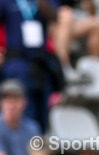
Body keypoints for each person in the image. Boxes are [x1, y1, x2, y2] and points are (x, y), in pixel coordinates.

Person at [0, 0, 64, 133]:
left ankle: (37, 149)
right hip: (17, 63)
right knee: (20, 112)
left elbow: (55, 16)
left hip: (40, 65)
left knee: (42, 116)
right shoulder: (7, 2)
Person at [0, 80, 42, 155]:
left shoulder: (33, 127)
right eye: (7, 100)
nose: (11, 104)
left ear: (24, 102)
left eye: (15, 99)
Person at [52, 0, 99, 84]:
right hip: (49, 24)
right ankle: (63, 66)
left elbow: (93, 14)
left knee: (97, 24)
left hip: (68, 24)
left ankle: (95, 70)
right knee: (66, 14)